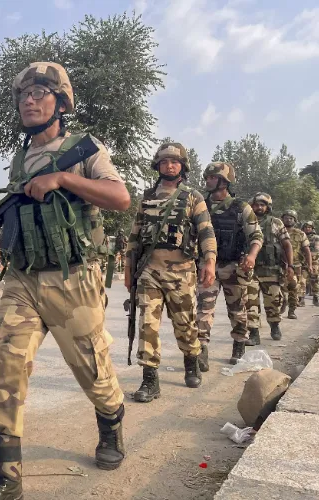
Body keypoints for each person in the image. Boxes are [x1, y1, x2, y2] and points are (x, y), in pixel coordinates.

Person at [0, 61, 131, 499]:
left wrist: (63, 177)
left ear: (61, 101)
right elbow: (23, 211)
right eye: (23, 94)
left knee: (94, 373)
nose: (28, 100)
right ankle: (5, 478)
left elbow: (120, 197)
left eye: (40, 92)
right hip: (23, 278)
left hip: (73, 279)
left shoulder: (86, 147)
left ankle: (112, 422)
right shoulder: (20, 158)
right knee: (4, 364)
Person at [126, 143, 217, 403]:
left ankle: (191, 361)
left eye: (174, 162)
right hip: (149, 271)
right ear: (158, 165)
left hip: (182, 272)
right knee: (147, 324)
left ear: (182, 166)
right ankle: (149, 379)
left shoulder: (192, 197)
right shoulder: (148, 196)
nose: (169, 165)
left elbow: (206, 232)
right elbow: (135, 235)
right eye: (165, 161)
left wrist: (209, 261)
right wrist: (129, 268)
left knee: (186, 324)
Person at [196, 162, 262, 368]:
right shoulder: (201, 206)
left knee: (237, 310)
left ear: (225, 181)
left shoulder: (241, 208)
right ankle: (202, 350)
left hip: (234, 266)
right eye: (207, 177)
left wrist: (251, 255)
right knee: (203, 309)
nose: (208, 181)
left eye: (212, 177)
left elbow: (256, 235)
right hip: (208, 267)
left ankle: (239, 344)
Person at [245, 193, 294, 345]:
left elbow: (286, 245)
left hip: (271, 270)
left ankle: (275, 326)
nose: (259, 207)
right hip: (250, 270)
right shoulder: (245, 221)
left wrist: (290, 266)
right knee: (250, 302)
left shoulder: (276, 223)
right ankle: (253, 333)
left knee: (273, 302)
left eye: (262, 205)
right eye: (256, 204)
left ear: (267, 207)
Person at [280, 210, 311, 319]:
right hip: (279, 265)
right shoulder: (277, 231)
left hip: (295, 266)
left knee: (294, 288)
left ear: (295, 220)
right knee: (278, 288)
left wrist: (310, 265)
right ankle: (283, 301)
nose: (288, 220)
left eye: (291, 218)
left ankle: (292, 310)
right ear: (282, 219)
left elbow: (307, 250)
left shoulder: (300, 234)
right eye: (286, 218)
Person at [302, 221, 319, 306]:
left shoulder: (316, 237)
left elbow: (316, 250)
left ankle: (315, 297)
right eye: (306, 227)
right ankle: (301, 298)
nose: (307, 229)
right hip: (302, 262)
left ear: (312, 228)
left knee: (315, 280)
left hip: (314, 262)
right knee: (302, 281)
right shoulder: (301, 236)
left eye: (309, 227)